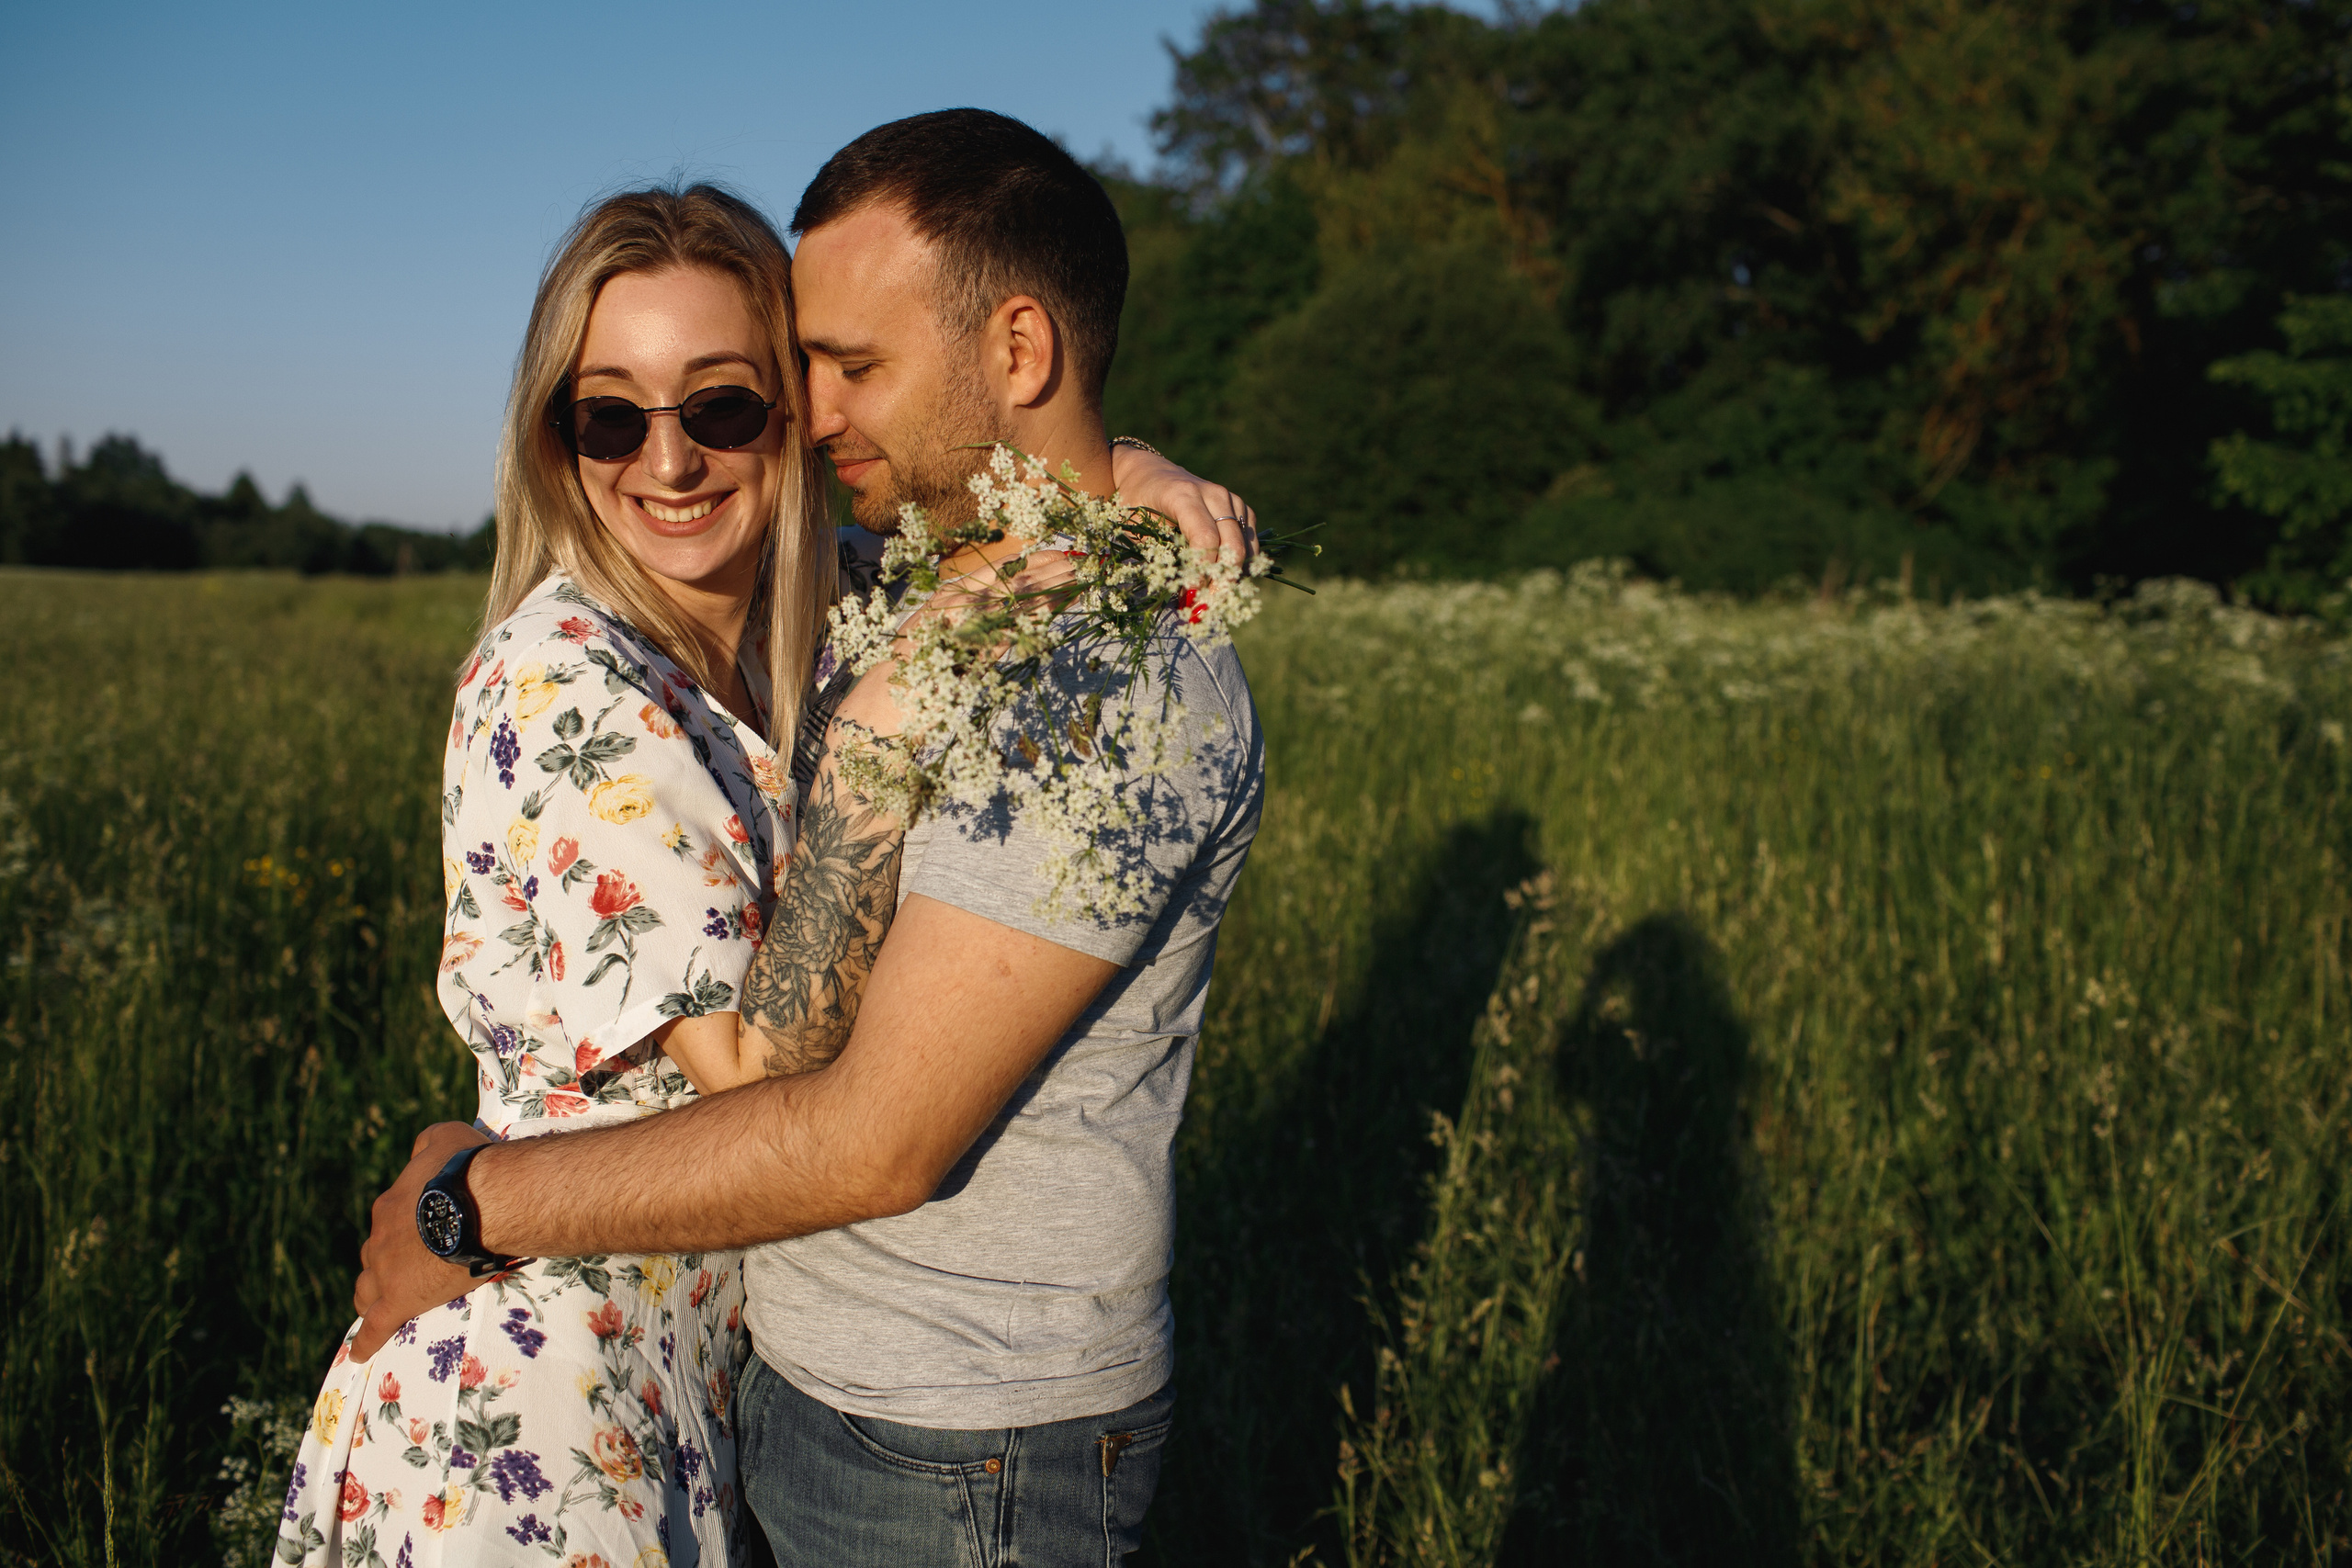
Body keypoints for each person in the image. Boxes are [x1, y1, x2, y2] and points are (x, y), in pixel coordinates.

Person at [280, 172, 1255, 1567]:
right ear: (556, 439)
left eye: (724, 404)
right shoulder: (570, 684)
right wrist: (467, 1191)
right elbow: (760, 1075)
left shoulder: (839, 603)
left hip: (735, 1366)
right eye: (607, 413)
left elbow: (1028, 489)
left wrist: (1132, 476)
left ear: (797, 412)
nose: (664, 462)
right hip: (557, 1385)